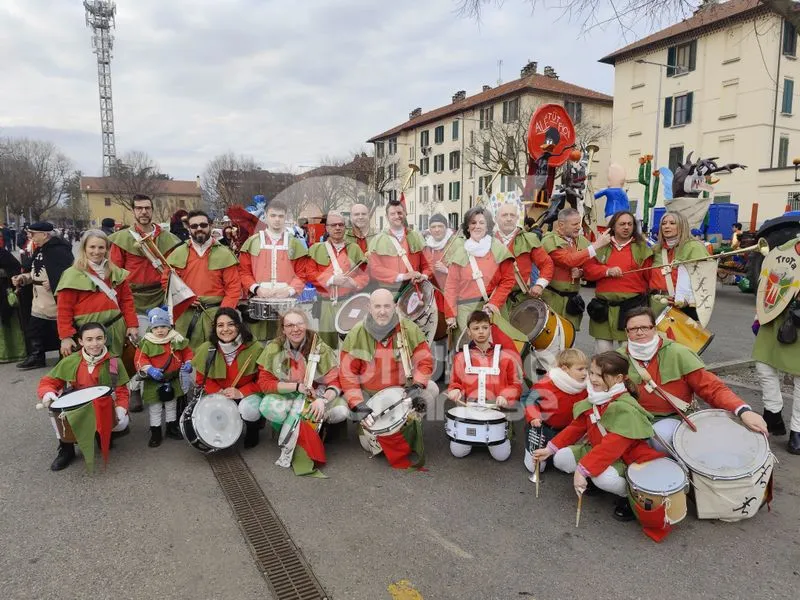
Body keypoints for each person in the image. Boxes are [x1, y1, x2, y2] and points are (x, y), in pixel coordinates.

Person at [533, 351, 664, 521]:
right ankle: (593, 479)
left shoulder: (625, 407)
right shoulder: (597, 396)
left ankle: (630, 496)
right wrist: (550, 449)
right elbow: (577, 427)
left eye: (600, 376)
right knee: (561, 458)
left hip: (624, 457)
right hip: (596, 449)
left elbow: (611, 447)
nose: (593, 379)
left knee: (603, 478)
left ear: (618, 379)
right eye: (592, 372)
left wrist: (582, 470)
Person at [619, 307, 767, 445]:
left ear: (655, 328)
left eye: (645, 327)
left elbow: (711, 388)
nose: (639, 332)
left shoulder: (679, 353)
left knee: (661, 436)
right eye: (633, 329)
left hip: (671, 420)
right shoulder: (618, 358)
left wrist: (742, 410)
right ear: (627, 332)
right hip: (632, 420)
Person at [340, 289, 438, 469]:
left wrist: (417, 384)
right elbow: (347, 374)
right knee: (372, 448)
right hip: (370, 398)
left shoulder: (409, 328)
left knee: (430, 388)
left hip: (401, 394)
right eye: (377, 306)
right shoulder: (356, 332)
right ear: (369, 308)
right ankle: (382, 432)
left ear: (394, 307)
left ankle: (409, 427)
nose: (382, 311)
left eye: (387, 306)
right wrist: (358, 404)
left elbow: (424, 360)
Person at [254, 308, 349, 475]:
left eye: (299, 324)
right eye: (289, 325)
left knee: (341, 410)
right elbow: (264, 383)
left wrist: (323, 400)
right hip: (289, 394)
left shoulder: (319, 347)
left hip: (316, 395)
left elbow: (335, 381)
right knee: (266, 406)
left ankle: (319, 426)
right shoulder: (274, 348)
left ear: (306, 325)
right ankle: (292, 431)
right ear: (283, 329)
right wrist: (296, 387)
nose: (295, 329)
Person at [37, 322, 131, 471]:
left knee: (122, 422)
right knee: (54, 411)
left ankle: (102, 433)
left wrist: (120, 410)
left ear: (105, 339)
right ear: (81, 341)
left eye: (99, 338)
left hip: (102, 406)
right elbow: (48, 381)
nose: (95, 344)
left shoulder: (114, 362)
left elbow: (122, 391)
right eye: (89, 339)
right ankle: (66, 449)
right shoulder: (70, 361)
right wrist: (48, 392)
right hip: (78, 407)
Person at [445, 310, 522, 461]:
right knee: (458, 452)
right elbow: (455, 382)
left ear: (490, 329)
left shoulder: (505, 356)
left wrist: (505, 396)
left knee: (501, 456)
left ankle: (502, 431)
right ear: (468, 332)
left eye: (485, 327)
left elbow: (516, 385)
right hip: (469, 409)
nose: (481, 331)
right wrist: (455, 391)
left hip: (496, 411)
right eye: (476, 328)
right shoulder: (460, 357)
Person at [163, 210, 241, 348]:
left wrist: (222, 317)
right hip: (186, 316)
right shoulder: (178, 253)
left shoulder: (224, 254)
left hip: (215, 315)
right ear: (188, 228)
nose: (199, 228)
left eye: (203, 225)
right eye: (194, 226)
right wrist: (184, 298)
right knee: (188, 360)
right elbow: (167, 282)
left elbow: (233, 288)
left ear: (210, 226)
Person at [55, 230, 139, 358]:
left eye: (101, 247)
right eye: (92, 247)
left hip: (117, 330)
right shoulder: (72, 274)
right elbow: (64, 309)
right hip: (89, 335)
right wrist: (65, 337)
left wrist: (132, 325)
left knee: (114, 367)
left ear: (106, 249)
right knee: (91, 371)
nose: (97, 251)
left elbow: (126, 301)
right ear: (84, 248)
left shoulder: (115, 272)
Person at [752, 237, 800, 454]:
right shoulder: (788, 247)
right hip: (776, 316)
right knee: (763, 364)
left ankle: (797, 431)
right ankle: (773, 414)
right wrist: (759, 314)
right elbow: (769, 278)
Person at [238, 200, 309, 341]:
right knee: (259, 344)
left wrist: (289, 290)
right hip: (259, 301)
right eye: (273, 215)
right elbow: (243, 271)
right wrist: (256, 288)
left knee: (286, 344)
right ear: (265, 216)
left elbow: (303, 273)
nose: (277, 219)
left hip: (287, 304)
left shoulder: (295, 243)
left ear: (286, 217)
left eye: (281, 216)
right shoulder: (252, 242)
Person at [191, 308, 263, 447]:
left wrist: (241, 392)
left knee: (249, 409)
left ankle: (253, 429)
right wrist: (218, 392)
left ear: (239, 325)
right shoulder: (207, 348)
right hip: (220, 393)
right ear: (215, 328)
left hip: (247, 394)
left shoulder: (256, 348)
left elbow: (263, 381)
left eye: (231, 324)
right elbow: (202, 379)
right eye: (220, 325)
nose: (225, 329)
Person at [582, 211, 652, 353]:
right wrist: (607, 271)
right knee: (602, 352)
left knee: (629, 352)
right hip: (603, 307)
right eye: (622, 224)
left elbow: (650, 276)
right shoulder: (601, 245)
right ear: (613, 226)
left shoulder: (642, 248)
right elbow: (588, 271)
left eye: (630, 224)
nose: (626, 227)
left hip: (632, 307)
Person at [443, 206, 517, 336]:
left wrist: (494, 303)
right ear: (467, 227)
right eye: (473, 223)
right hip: (466, 312)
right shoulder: (460, 252)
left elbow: (508, 280)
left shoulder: (498, 249)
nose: (477, 226)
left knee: (499, 350)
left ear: (488, 226)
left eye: (481, 223)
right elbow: (451, 287)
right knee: (470, 352)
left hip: (493, 308)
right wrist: (450, 314)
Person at [11, 222, 73, 369]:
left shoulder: (60, 250)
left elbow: (68, 273)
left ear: (44, 234)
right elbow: (35, 271)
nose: (29, 236)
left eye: (32, 234)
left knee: (58, 329)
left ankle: (64, 357)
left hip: (54, 299)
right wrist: (24, 278)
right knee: (35, 329)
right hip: (38, 298)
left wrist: (54, 282)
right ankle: (36, 356)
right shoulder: (39, 250)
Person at [108, 194, 181, 316]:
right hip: (132, 298)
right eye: (139, 208)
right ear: (133, 211)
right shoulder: (121, 239)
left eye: (147, 208)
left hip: (162, 296)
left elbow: (174, 269)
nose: (144, 212)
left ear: (152, 210)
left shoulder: (168, 239)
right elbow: (115, 273)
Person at [541, 208, 612, 332]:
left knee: (569, 337)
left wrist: (582, 273)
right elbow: (568, 260)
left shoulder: (582, 241)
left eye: (579, 223)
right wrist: (596, 245)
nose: (579, 227)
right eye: (574, 224)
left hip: (572, 300)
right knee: (549, 338)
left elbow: (592, 265)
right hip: (552, 299)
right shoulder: (549, 240)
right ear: (561, 225)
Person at [305, 211, 369, 348]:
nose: (338, 228)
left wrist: (354, 283)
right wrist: (331, 279)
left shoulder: (354, 249)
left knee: (352, 345)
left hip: (349, 302)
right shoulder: (316, 249)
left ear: (345, 228)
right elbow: (309, 273)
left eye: (341, 225)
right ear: (327, 228)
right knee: (326, 346)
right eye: (333, 225)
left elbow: (364, 275)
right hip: (326, 305)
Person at [522, 347, 588, 473]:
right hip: (542, 429)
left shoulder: (584, 388)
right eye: (580, 369)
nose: (585, 373)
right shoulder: (547, 384)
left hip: (565, 432)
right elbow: (529, 399)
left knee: (559, 462)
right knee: (536, 468)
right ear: (564, 369)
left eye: (586, 368)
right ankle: (531, 449)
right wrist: (534, 416)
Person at [134, 307, 193, 448]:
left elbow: (187, 352)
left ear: (169, 326)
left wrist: (189, 363)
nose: (159, 330)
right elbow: (139, 359)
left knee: (171, 405)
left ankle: (171, 428)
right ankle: (156, 432)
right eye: (156, 327)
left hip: (172, 379)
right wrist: (150, 369)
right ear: (151, 328)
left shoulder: (176, 339)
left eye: (163, 327)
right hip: (154, 381)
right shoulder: (146, 342)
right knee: (155, 408)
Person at [493, 200, 554, 316]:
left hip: (518, 299)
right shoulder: (485, 240)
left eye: (512, 215)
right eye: (504, 215)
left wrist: (539, 284)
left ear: (517, 218)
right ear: (496, 219)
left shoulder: (529, 239)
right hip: (491, 299)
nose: (509, 218)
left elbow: (547, 263)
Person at [648, 211, 709, 322]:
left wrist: (688, 298)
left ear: (682, 225)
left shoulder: (694, 247)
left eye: (672, 223)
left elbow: (704, 280)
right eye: (664, 223)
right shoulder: (656, 249)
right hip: (657, 304)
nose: (667, 226)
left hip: (685, 306)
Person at [367, 200, 430, 292]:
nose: (397, 216)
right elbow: (374, 269)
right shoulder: (377, 240)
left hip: (413, 290)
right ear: (387, 217)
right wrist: (402, 276)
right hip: (388, 291)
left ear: (405, 214)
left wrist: (423, 276)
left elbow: (428, 264)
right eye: (392, 214)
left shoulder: (416, 237)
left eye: (400, 213)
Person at [0, 247, 26, 363]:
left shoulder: (2, 253)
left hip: (3, 294)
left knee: (8, 324)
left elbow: (15, 268)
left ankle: (12, 353)